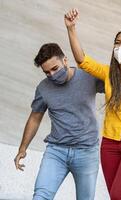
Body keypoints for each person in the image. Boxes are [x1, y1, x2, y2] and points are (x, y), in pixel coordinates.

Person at [64, 8, 121, 200]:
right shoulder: (108, 74)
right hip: (109, 143)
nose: (119, 46)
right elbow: (82, 61)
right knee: (118, 197)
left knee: (119, 194)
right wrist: (71, 29)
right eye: (117, 43)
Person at [14, 43, 104, 200]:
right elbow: (35, 117)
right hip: (56, 152)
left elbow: (118, 84)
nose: (52, 75)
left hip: (87, 152)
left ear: (65, 60)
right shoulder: (43, 88)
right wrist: (23, 148)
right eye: (47, 72)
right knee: (40, 196)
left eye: (55, 68)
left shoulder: (88, 77)